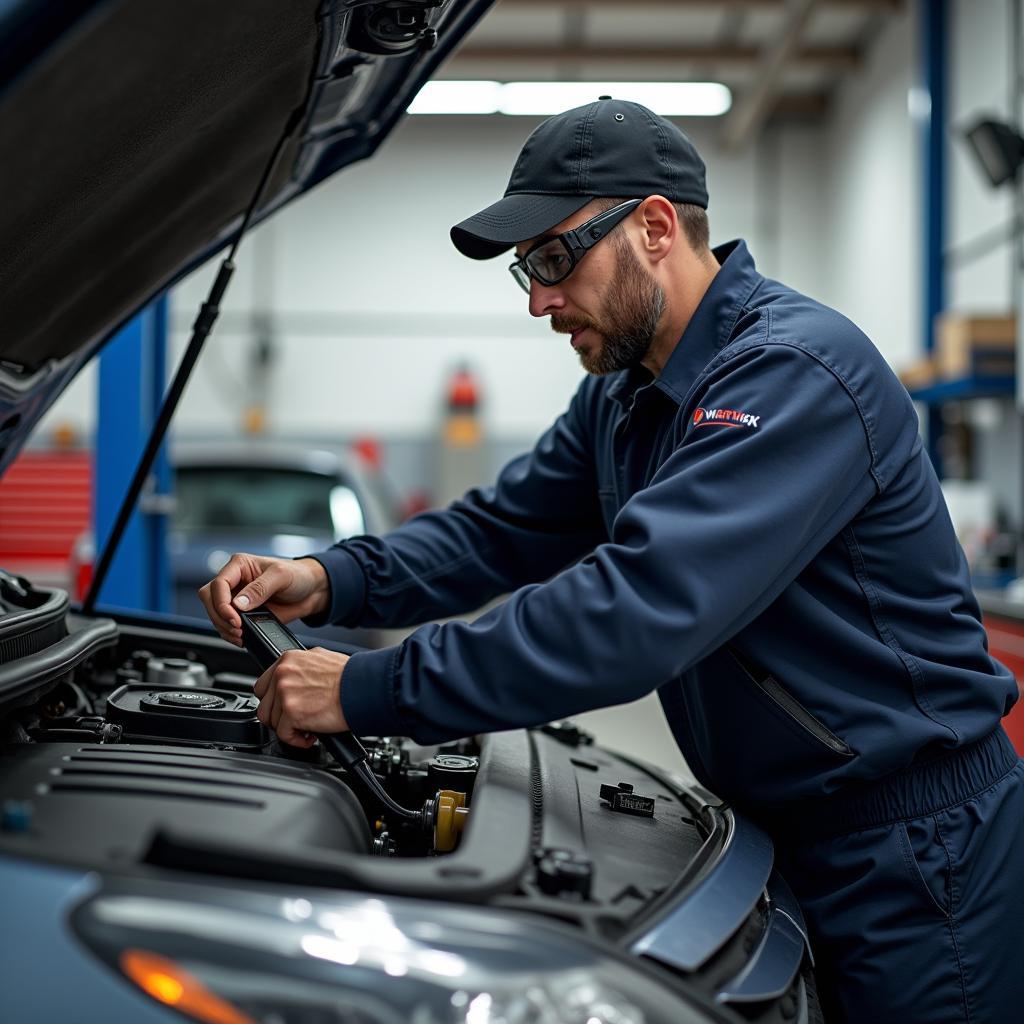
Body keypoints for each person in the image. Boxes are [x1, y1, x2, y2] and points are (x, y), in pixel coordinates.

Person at [200, 98, 1024, 1022]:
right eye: (528, 269)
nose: (537, 299)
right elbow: (498, 529)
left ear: (656, 228)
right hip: (780, 833)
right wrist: (333, 577)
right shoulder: (628, 398)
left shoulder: (795, 374)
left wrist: (368, 686)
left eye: (555, 260)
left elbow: (632, 612)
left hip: (914, 856)